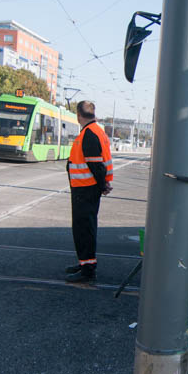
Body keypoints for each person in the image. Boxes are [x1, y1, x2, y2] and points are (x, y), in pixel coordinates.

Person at [65, 100, 113, 282]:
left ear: (78, 115)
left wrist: (102, 185)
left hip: (85, 189)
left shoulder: (90, 134)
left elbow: (96, 165)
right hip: (86, 188)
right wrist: (104, 183)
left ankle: (88, 270)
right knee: (85, 227)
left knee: (84, 228)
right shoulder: (95, 131)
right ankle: (84, 263)